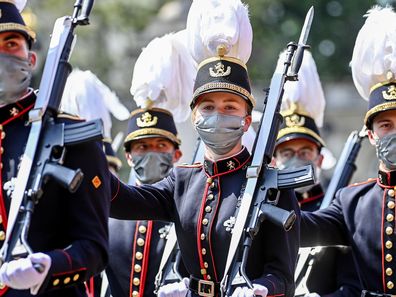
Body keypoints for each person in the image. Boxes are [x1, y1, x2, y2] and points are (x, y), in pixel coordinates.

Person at [110, 2, 300, 296]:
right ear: (195, 117)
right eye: (208, 107)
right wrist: (89, 156)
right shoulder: (182, 182)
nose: (218, 115)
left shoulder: (273, 186)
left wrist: (262, 289)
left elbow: (283, 275)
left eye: (229, 107)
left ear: (246, 119)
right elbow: (121, 201)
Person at [0, 1, 111, 296]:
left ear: (31, 59)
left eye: (11, 43)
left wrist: (48, 266)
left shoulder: (71, 134)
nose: (2, 54)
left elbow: (94, 247)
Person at [301, 6, 396, 296]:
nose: (393, 132)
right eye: (385, 125)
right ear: (371, 133)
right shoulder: (352, 201)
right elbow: (304, 229)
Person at [273, 50, 360, 297]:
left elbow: (353, 285)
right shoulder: (262, 210)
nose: (295, 159)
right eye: (287, 153)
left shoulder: (338, 208)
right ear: (274, 159)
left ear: (320, 159)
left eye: (304, 152)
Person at [106, 107, 183, 297]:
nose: (152, 153)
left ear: (176, 155)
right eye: (142, 147)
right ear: (129, 157)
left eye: (161, 145)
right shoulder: (110, 211)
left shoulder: (187, 207)